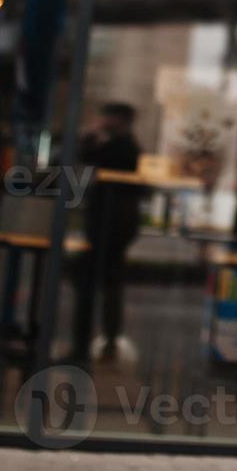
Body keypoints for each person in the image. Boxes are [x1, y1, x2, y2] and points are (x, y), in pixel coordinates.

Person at [69, 101, 144, 364]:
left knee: (97, 282)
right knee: (107, 283)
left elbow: (91, 155)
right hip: (110, 224)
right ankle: (102, 341)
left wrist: (91, 137)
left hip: (111, 225)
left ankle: (91, 345)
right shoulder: (120, 145)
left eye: (108, 117)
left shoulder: (123, 147)